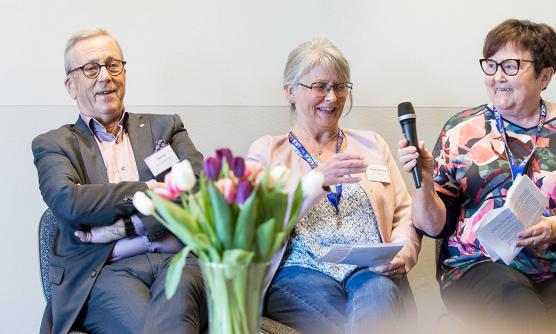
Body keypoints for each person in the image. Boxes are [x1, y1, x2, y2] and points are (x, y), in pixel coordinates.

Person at [398, 19, 556, 334]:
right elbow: (435, 226)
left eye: (511, 66)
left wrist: (550, 228)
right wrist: (422, 182)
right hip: (477, 266)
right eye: (491, 65)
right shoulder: (462, 129)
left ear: (545, 75)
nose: (498, 77)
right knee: (521, 313)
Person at [32, 29, 207, 334]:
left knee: (176, 318)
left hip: (176, 258)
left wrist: (126, 227)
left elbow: (197, 186)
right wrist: (150, 190)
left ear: (124, 73)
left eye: (113, 65)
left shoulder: (166, 127)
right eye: (90, 68)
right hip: (102, 270)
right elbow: (70, 203)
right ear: (70, 85)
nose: (104, 77)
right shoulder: (53, 144)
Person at [248, 38, 421, 334]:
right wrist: (316, 181)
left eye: (340, 87)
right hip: (299, 272)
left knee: (378, 296)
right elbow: (254, 227)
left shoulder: (372, 144)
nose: (332, 98)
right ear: (290, 92)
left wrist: (403, 254)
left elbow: (404, 214)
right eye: (319, 87)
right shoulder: (267, 151)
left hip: (369, 269)